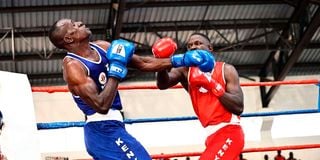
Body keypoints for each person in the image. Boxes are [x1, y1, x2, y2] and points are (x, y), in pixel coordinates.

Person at [48, 19, 214, 160]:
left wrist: (183, 59)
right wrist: (116, 69)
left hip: (114, 126)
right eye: (74, 25)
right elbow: (101, 105)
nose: (80, 23)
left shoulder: (103, 47)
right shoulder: (73, 67)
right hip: (101, 131)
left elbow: (144, 63)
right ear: (69, 39)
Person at [154, 32, 245, 160]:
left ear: (210, 48)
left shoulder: (226, 70)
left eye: (198, 43)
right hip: (211, 137)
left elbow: (238, 107)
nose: (193, 47)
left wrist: (212, 84)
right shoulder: (185, 71)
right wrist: (161, 61)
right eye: (189, 45)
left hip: (229, 132)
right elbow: (162, 84)